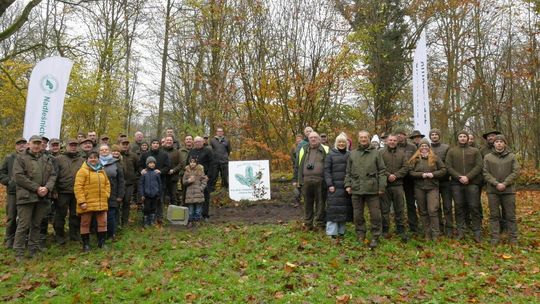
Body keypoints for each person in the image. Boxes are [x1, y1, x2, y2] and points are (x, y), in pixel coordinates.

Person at [12, 135, 57, 260]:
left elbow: (53, 175)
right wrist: (37, 188)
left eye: (39, 143)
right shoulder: (21, 158)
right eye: (34, 143)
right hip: (26, 197)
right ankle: (19, 252)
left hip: (42, 198)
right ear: (29, 144)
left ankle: (33, 249)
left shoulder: (46, 158)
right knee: (23, 225)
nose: (37, 145)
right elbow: (19, 177)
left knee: (36, 224)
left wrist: (47, 188)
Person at [344, 130, 386, 248]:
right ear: (358, 139)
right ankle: (360, 234)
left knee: (375, 215)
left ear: (369, 139)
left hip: (372, 189)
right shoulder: (352, 154)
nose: (363, 139)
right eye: (361, 137)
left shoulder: (376, 153)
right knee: (357, 214)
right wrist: (347, 185)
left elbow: (382, 171)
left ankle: (375, 236)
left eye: (365, 137)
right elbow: (348, 172)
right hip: (356, 189)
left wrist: (381, 187)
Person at [446, 130, 483, 242]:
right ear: (458, 138)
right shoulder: (452, 151)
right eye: (460, 136)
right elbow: (448, 166)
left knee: (474, 206)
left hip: (472, 183)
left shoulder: (475, 151)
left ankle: (477, 231)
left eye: (464, 136)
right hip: (456, 184)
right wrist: (459, 177)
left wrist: (468, 177)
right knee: (459, 207)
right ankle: (461, 231)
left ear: (468, 138)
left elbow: (479, 165)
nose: (462, 138)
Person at [483, 135, 520, 246]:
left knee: (510, 215)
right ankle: (495, 237)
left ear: (505, 144)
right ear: (493, 144)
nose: (499, 143)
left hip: (508, 190)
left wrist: (505, 183)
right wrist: (496, 183)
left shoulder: (512, 157)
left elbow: (516, 172)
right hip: (493, 191)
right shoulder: (488, 157)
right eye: (497, 142)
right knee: (494, 215)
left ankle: (513, 238)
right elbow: (485, 172)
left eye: (501, 142)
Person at [408, 138, 447, 241]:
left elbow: (443, 170)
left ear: (429, 148)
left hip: (432, 187)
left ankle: (435, 233)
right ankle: (427, 233)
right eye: (422, 146)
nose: (424, 148)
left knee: (432, 210)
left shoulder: (435, 158)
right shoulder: (415, 159)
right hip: (419, 188)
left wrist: (433, 174)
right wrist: (422, 175)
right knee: (423, 211)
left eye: (426, 146)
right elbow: (410, 172)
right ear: (419, 148)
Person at [74, 151, 110, 251]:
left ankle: (102, 243)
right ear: (87, 159)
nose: (93, 159)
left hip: (101, 202)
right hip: (87, 202)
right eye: (91, 158)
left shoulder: (102, 170)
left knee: (102, 222)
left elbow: (107, 183)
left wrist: (106, 194)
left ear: (98, 159)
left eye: (95, 157)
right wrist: (82, 201)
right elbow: (78, 187)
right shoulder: (82, 171)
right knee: (85, 223)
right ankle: (86, 245)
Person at [293, 131, 329, 231]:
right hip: (306, 181)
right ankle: (308, 224)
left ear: (319, 139)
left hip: (321, 181)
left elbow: (330, 165)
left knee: (321, 203)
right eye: (311, 137)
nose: (313, 139)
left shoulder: (326, 149)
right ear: (308, 139)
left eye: (315, 137)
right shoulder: (303, 149)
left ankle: (320, 224)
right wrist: (295, 179)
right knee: (307, 203)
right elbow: (297, 165)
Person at [53, 139, 84, 245]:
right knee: (60, 214)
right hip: (62, 192)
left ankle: (74, 234)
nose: (73, 147)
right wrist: (54, 190)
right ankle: (59, 235)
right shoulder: (58, 159)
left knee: (75, 214)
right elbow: (54, 176)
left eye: (75, 145)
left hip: (76, 192)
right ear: (66, 146)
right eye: (71, 145)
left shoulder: (82, 160)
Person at [323, 132, 352, 240]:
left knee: (343, 210)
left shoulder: (350, 154)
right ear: (336, 143)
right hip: (334, 187)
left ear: (346, 143)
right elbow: (327, 171)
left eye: (343, 142)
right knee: (333, 210)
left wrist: (349, 184)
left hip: (345, 187)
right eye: (339, 142)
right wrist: (330, 184)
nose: (341, 144)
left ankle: (341, 231)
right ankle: (331, 233)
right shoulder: (330, 154)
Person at [380, 134, 409, 242]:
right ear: (387, 141)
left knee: (399, 208)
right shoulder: (381, 153)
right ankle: (385, 229)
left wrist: (396, 175)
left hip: (398, 185)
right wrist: (388, 175)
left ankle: (401, 229)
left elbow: (406, 167)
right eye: (390, 140)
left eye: (394, 140)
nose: (392, 142)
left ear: (397, 142)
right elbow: (379, 166)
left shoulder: (402, 153)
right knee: (384, 209)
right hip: (385, 185)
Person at [0, 137, 27, 249]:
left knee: (25, 218)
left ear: (27, 145)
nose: (21, 146)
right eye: (19, 144)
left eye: (23, 144)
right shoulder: (9, 157)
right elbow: (1, 173)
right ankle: (9, 239)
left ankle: (23, 240)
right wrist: (10, 182)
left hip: (26, 192)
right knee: (11, 217)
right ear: (15, 146)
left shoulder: (30, 157)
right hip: (13, 192)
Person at [139, 139, 170, 224]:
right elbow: (140, 165)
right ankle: (147, 219)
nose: (155, 145)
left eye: (157, 143)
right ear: (151, 144)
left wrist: (161, 171)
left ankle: (158, 218)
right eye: (153, 143)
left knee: (159, 200)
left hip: (160, 180)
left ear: (159, 145)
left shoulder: (164, 154)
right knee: (148, 203)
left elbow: (167, 167)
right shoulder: (145, 154)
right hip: (147, 183)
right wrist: (141, 170)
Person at [429, 128, 453, 237]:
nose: (434, 136)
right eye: (432, 134)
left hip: (445, 181)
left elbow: (448, 164)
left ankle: (449, 228)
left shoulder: (446, 147)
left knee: (447, 206)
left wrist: (444, 174)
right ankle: (439, 227)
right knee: (435, 206)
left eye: (436, 134)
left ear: (439, 136)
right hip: (432, 182)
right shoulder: (427, 148)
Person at [99, 144, 125, 240]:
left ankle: (111, 234)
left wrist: (120, 195)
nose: (104, 151)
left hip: (113, 193)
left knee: (111, 214)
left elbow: (121, 180)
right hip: (98, 194)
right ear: (99, 152)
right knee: (99, 214)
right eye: (102, 150)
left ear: (109, 151)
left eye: (106, 149)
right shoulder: (95, 162)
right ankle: (100, 234)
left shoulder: (116, 163)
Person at [396, 129, 418, 234]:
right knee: (399, 204)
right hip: (398, 179)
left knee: (410, 203)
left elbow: (416, 160)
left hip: (410, 179)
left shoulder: (412, 147)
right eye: (397, 135)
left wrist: (409, 169)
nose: (399, 136)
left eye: (401, 134)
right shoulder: (394, 146)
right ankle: (399, 227)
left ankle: (413, 226)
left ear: (405, 136)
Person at [187, 136, 213, 219]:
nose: (198, 143)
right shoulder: (192, 151)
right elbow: (187, 164)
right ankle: (194, 215)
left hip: (204, 177)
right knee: (194, 197)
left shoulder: (208, 151)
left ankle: (205, 215)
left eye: (199, 141)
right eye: (196, 142)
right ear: (194, 143)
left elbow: (213, 164)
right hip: (193, 178)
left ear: (203, 142)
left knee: (205, 195)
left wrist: (208, 175)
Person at [183, 157, 208, 227]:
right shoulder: (187, 171)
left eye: (194, 162)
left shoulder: (200, 171)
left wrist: (201, 188)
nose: (192, 163)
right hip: (190, 194)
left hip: (198, 193)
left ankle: (197, 220)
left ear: (196, 163)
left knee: (198, 209)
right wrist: (188, 181)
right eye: (191, 162)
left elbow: (204, 180)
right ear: (189, 163)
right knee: (190, 209)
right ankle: (190, 221)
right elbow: (183, 182)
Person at [119, 138, 138, 227]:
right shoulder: (116, 155)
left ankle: (125, 222)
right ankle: (117, 221)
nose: (125, 145)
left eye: (127, 144)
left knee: (126, 202)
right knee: (117, 203)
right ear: (120, 144)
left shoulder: (133, 156)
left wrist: (134, 177)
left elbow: (137, 167)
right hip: (118, 184)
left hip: (130, 183)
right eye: (123, 144)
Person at [139, 156, 161, 227]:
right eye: (150, 163)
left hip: (155, 194)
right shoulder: (144, 173)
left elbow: (159, 184)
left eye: (153, 163)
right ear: (147, 164)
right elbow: (141, 184)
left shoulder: (156, 173)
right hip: (147, 195)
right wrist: (142, 194)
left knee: (153, 208)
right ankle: (146, 222)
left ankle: (152, 221)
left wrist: (159, 193)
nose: (152, 164)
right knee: (146, 208)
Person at [163, 136, 183, 206]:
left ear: (173, 142)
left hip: (173, 178)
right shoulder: (161, 151)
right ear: (165, 141)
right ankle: (163, 213)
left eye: (170, 140)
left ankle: (174, 214)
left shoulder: (177, 152)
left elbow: (181, 164)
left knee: (173, 196)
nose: (169, 141)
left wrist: (173, 170)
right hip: (163, 177)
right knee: (162, 195)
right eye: (167, 140)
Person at [178, 135, 193, 205]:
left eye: (190, 139)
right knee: (184, 191)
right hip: (183, 174)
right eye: (187, 139)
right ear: (184, 141)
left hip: (194, 174)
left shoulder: (195, 150)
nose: (188, 140)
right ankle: (184, 205)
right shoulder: (180, 151)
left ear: (192, 141)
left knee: (193, 190)